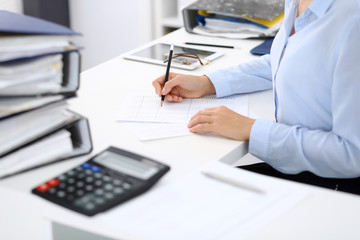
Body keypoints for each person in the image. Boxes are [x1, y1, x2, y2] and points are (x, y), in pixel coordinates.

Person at [152, 0, 360, 194]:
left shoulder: (353, 21)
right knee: (176, 185)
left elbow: (352, 155)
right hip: (295, 166)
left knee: (187, 194)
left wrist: (250, 128)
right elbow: (284, 58)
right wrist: (207, 84)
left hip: (334, 186)